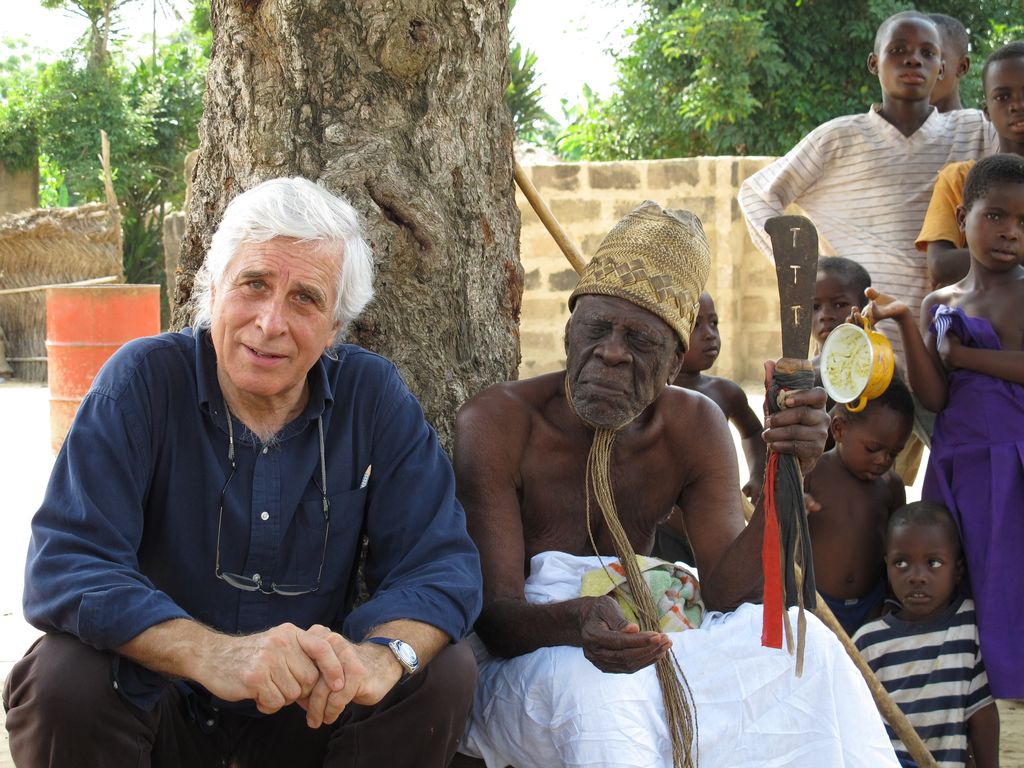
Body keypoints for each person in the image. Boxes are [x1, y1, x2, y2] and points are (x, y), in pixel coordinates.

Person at [2, 177, 483, 767]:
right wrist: (211, 655)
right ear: (213, 291)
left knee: (439, 669)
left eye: (305, 298)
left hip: (310, 713)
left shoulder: (372, 396)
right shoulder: (142, 382)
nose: (270, 322)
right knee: (64, 676)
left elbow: (440, 564)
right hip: (164, 703)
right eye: (254, 284)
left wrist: (381, 658)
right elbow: (67, 564)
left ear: (335, 328)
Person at [455, 201, 900, 767]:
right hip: (534, 653)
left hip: (650, 636)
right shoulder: (498, 423)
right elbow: (496, 619)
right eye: (596, 329)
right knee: (604, 699)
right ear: (568, 332)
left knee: (804, 648)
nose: (611, 352)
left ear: (673, 363)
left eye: (640, 342)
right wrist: (577, 619)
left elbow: (728, 594)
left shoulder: (694, 425)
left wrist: (788, 474)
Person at [739, 10, 998, 372]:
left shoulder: (974, 130)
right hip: (857, 345)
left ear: (942, 68)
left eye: (927, 53)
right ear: (874, 63)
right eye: (899, 50)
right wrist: (806, 271)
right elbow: (756, 194)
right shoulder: (838, 138)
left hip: (947, 347)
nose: (913, 59)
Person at [867, 153, 1024, 699]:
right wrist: (906, 323)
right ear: (962, 218)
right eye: (996, 215)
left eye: (1023, 222)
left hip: (1014, 461)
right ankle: (965, 687)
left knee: (1010, 574)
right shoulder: (939, 303)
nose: (1011, 232)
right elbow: (935, 396)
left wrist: (966, 357)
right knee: (964, 570)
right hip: (957, 461)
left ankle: (1010, 686)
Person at [853, 502, 999, 768]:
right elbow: (855, 723)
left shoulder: (967, 627)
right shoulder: (868, 642)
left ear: (958, 570)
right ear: (887, 566)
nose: (917, 577)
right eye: (901, 563)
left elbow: (982, 714)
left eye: (934, 563)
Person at [653, 291, 767, 564]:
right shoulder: (651, 396)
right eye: (695, 325)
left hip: (712, 530)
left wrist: (756, 474)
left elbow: (753, 431)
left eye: (714, 323)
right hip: (661, 531)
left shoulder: (724, 393)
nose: (709, 334)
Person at [804, 376, 914, 636]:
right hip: (815, 603)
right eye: (873, 448)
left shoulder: (891, 486)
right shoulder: (812, 474)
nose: (883, 460)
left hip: (871, 607)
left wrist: (890, 600)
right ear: (839, 429)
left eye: (894, 453)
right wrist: (797, 505)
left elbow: (895, 548)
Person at [916, 41, 1024, 290]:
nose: (1017, 105)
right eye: (1003, 97)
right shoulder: (961, 178)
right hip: (975, 314)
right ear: (987, 111)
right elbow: (941, 265)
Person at [811, 256, 872, 387]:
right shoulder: (805, 376)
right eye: (815, 307)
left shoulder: (878, 364)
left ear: (864, 308)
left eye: (839, 305)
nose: (825, 315)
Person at [928, 13, 971, 113]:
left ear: (962, 67)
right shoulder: (893, 122)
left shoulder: (978, 122)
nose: (917, 62)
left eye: (929, 54)